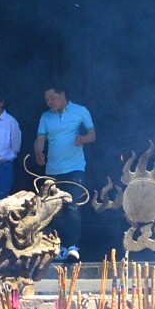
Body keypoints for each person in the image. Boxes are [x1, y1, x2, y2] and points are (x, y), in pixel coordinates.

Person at [34, 85, 95, 262]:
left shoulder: (80, 111)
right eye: (47, 99)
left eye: (52, 98)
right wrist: (38, 153)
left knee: (73, 207)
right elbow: (39, 140)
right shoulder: (45, 117)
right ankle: (57, 246)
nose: (49, 102)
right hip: (53, 170)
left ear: (63, 95)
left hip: (75, 167)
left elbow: (93, 134)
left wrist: (82, 138)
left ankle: (73, 246)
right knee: (54, 209)